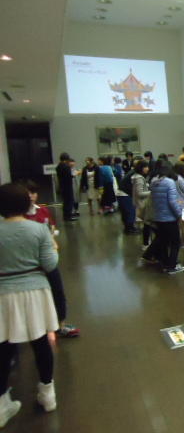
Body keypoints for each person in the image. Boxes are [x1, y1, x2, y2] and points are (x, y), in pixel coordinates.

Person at [0, 184, 60, 427]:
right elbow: (50, 264)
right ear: (26, 204)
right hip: (35, 291)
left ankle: (2, 405)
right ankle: (47, 395)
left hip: (3, 294)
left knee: (4, 348)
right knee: (41, 343)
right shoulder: (37, 229)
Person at [21, 180, 80, 338]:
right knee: (34, 296)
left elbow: (51, 229)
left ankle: (61, 324)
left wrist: (52, 241)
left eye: (33, 192)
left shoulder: (42, 211)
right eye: (27, 193)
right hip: (28, 264)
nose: (31, 196)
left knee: (57, 291)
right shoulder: (17, 216)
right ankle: (35, 329)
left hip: (47, 259)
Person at [143, 160, 184, 274]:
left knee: (163, 241)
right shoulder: (169, 182)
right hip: (169, 218)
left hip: (158, 217)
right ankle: (172, 266)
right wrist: (180, 215)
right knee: (175, 242)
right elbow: (172, 202)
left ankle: (166, 264)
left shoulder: (154, 182)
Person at [131, 160, 152, 247]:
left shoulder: (137, 177)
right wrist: (152, 192)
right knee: (147, 225)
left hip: (140, 204)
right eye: (146, 167)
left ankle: (146, 243)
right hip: (142, 204)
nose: (147, 169)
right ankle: (146, 244)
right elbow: (139, 193)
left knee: (147, 225)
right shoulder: (139, 178)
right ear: (141, 168)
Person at [116, 167, 138, 234]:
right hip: (125, 194)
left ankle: (129, 228)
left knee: (126, 212)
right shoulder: (135, 174)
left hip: (122, 193)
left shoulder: (132, 172)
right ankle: (129, 229)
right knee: (130, 212)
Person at [56, 152, 76, 221]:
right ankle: (68, 216)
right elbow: (69, 176)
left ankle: (65, 216)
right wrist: (74, 174)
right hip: (68, 186)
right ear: (66, 159)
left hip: (62, 186)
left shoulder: (58, 166)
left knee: (65, 201)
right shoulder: (66, 167)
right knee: (69, 201)